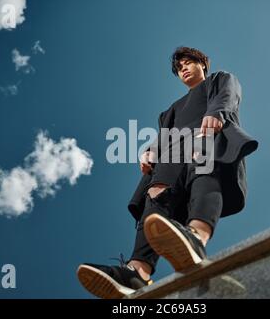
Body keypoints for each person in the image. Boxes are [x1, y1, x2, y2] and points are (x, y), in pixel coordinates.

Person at [77, 46, 259, 299]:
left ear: (202, 65)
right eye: (179, 67)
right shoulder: (170, 110)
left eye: (188, 63)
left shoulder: (219, 79)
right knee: (155, 195)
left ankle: (196, 236)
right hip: (172, 152)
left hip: (207, 137)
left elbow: (229, 94)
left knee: (205, 175)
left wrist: (217, 112)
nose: (183, 68)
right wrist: (150, 151)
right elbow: (161, 136)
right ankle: (137, 272)